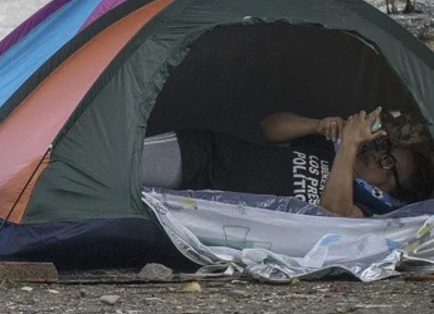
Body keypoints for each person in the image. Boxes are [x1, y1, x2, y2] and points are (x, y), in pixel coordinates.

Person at [141, 108, 432, 216]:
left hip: (202, 210)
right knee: (112, 171)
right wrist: (316, 125)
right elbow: (269, 127)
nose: (379, 158)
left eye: (389, 165)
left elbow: (333, 214)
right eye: (384, 152)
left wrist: (351, 147)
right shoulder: (330, 151)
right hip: (204, 159)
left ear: (392, 193)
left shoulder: (364, 208)